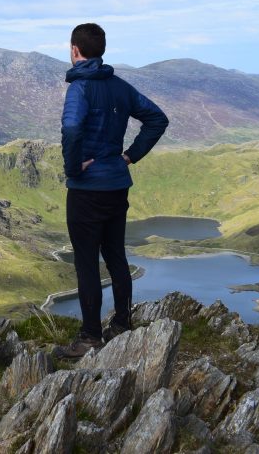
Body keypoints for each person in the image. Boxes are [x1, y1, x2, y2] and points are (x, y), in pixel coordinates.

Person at [55, 23, 168, 358]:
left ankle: (90, 336)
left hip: (87, 190)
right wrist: (130, 156)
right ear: (100, 50)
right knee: (116, 256)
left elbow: (72, 128)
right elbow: (157, 119)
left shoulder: (80, 89)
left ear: (74, 50)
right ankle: (122, 323)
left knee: (87, 263)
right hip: (117, 186)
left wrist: (74, 169)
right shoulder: (120, 87)